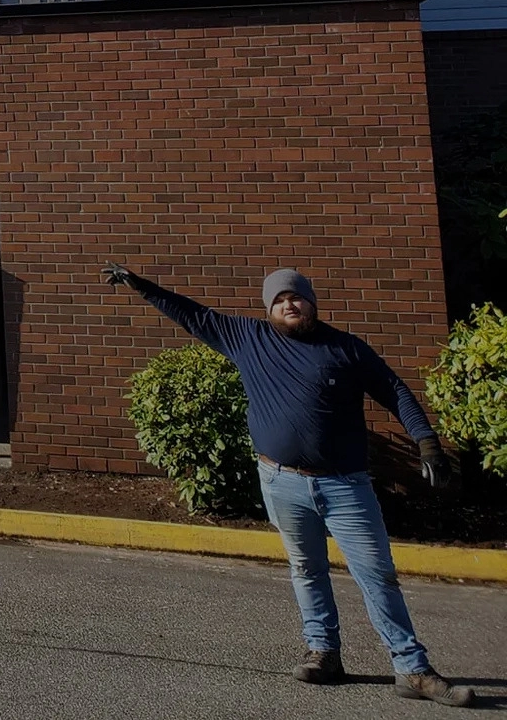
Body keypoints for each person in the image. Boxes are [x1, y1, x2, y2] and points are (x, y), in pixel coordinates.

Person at [101, 263, 473, 707]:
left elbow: (395, 392)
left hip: (345, 486)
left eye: (296, 296)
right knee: (306, 569)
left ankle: (411, 668)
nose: (288, 304)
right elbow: (192, 314)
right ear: (268, 308)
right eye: (279, 299)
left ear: (311, 302)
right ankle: (324, 654)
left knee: (376, 575)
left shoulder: (346, 348)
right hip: (281, 482)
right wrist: (140, 285)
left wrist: (427, 443)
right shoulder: (247, 338)